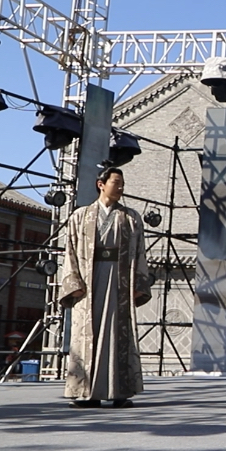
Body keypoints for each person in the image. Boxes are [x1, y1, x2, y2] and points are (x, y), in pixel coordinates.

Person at [59, 167, 152, 408]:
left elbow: (140, 252)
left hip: (120, 280)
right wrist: (73, 282)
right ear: (101, 184)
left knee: (115, 332)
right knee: (86, 335)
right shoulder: (80, 216)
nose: (120, 187)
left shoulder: (131, 218)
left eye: (122, 183)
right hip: (89, 279)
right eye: (116, 182)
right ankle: (87, 392)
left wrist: (139, 284)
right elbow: (70, 251)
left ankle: (119, 392)